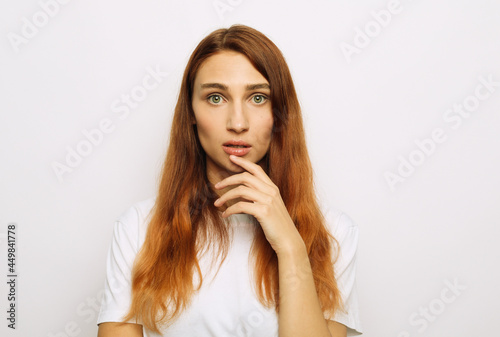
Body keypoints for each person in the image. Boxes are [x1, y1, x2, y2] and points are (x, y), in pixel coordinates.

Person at [97, 24, 363, 337]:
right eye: (215, 97)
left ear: (280, 113)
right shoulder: (138, 228)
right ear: (191, 113)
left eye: (258, 98)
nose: (238, 123)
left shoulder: (333, 233)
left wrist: (291, 247)